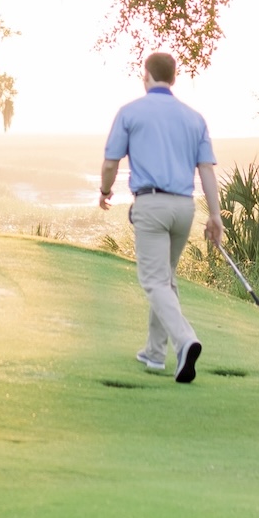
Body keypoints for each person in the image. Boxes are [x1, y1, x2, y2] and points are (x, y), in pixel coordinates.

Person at [99, 52, 223, 383]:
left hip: (152, 206)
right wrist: (215, 215)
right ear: (174, 77)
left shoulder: (130, 112)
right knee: (165, 278)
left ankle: (185, 341)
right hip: (184, 208)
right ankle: (155, 353)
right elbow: (207, 170)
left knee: (154, 281)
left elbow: (111, 163)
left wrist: (105, 191)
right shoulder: (194, 117)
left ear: (146, 76)